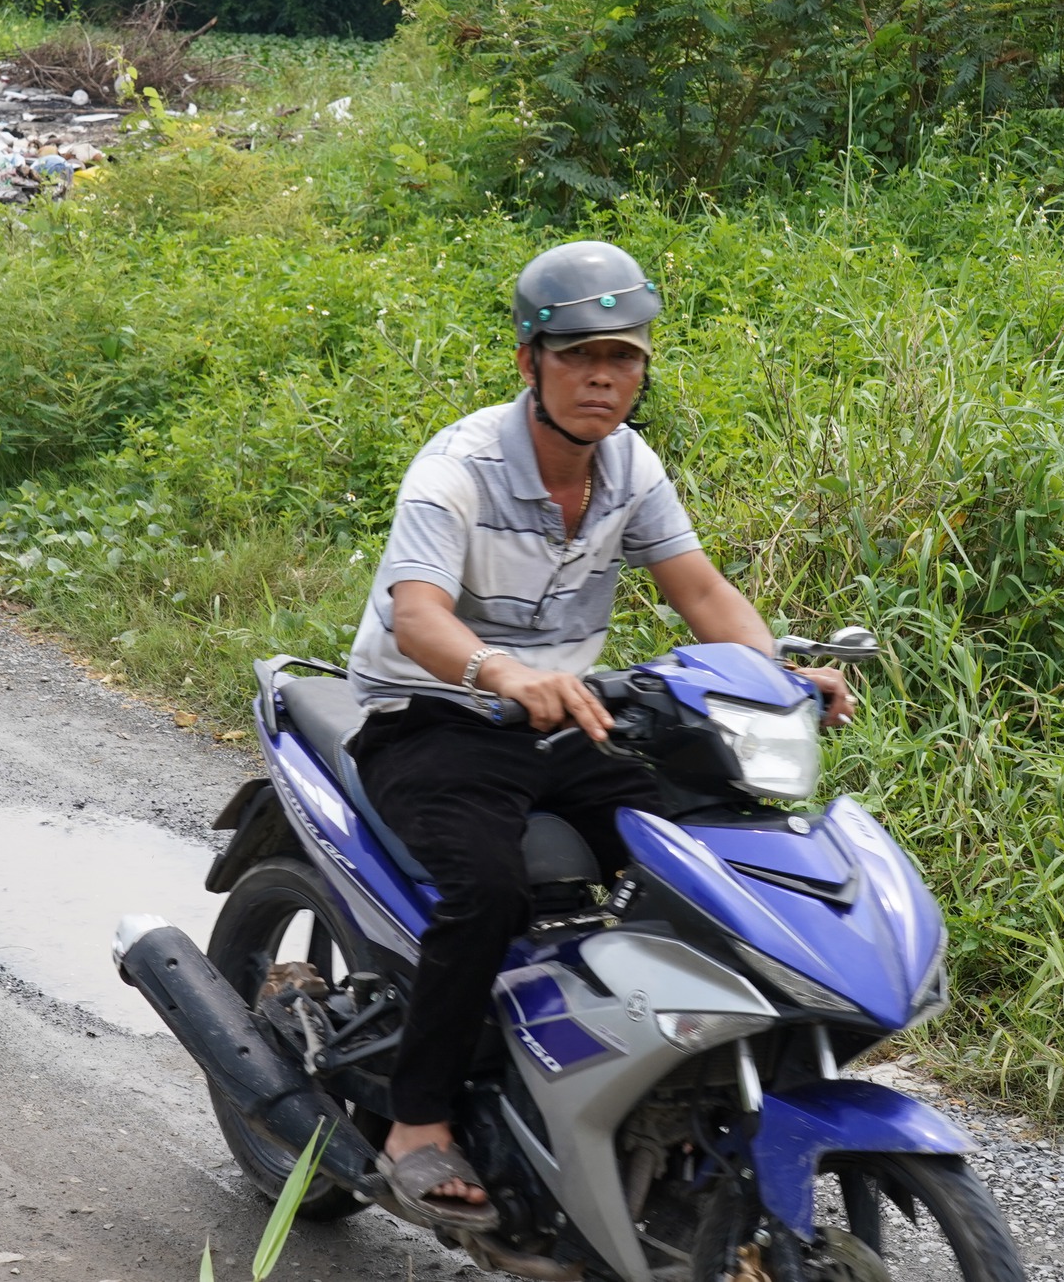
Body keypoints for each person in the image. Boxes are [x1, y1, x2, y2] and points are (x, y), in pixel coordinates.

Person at [344, 239, 853, 1231]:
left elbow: (699, 589)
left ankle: (639, 1077)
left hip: (564, 720)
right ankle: (416, 1120)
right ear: (528, 360)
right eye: (578, 356)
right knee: (486, 890)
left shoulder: (629, 466)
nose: (602, 379)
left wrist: (777, 676)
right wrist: (501, 671)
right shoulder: (458, 467)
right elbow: (416, 614)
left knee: (694, 850)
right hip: (431, 718)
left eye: (622, 358)